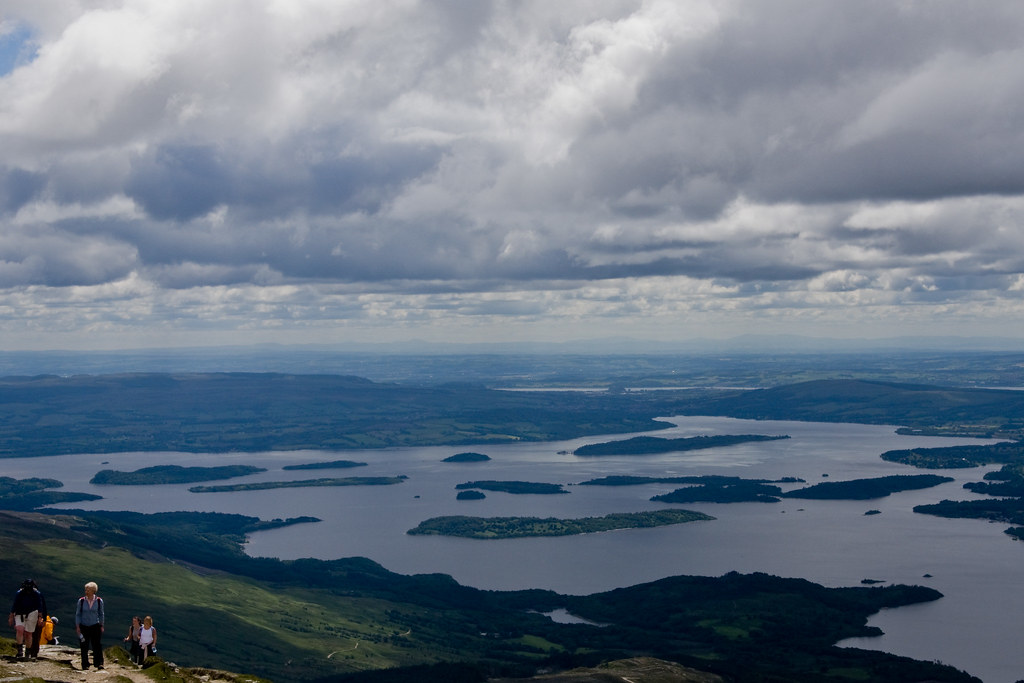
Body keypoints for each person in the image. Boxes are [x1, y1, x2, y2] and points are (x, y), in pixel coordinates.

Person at [8, 579, 47, 660]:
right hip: (20, 613)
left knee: (28, 633)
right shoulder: (19, 593)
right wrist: (11, 616)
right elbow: (15, 604)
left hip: (32, 613)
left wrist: (40, 617)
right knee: (20, 629)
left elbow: (39, 606)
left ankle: (27, 652)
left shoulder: (36, 594)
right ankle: (20, 651)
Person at [74, 581, 105, 670]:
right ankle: (85, 664)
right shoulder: (81, 601)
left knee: (97, 645)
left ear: (93, 591)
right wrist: (77, 626)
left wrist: (101, 624)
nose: (86, 591)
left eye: (88, 590)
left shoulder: (99, 601)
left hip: (95, 625)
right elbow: (78, 614)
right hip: (84, 626)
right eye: (86, 590)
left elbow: (101, 613)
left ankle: (99, 663)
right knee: (84, 645)